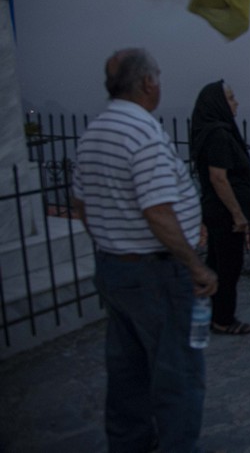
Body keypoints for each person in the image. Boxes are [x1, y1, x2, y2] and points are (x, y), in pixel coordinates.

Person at [71, 48, 217, 452]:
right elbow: (157, 211)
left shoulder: (95, 132)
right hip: (157, 273)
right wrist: (195, 266)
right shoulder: (143, 134)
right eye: (159, 78)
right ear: (149, 83)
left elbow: (81, 204)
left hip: (115, 269)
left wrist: (111, 240)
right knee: (179, 374)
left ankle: (130, 443)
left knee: (128, 370)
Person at [190, 80, 250, 335]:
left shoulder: (213, 131)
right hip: (224, 213)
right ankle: (223, 319)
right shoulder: (218, 134)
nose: (235, 102)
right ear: (217, 104)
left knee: (217, 263)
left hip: (216, 211)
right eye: (230, 98)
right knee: (229, 265)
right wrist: (237, 214)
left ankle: (209, 311)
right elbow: (219, 177)